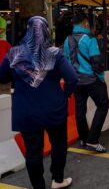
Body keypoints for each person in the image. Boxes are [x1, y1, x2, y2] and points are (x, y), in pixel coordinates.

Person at [0, 16, 77, 189]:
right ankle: (58, 180)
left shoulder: (15, 53)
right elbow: (72, 78)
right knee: (59, 144)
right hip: (54, 109)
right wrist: (65, 95)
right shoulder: (55, 53)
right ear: (46, 31)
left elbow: (1, 76)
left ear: (28, 31)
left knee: (33, 152)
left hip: (26, 111)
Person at [64, 12, 109, 153]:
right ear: (86, 24)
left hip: (76, 81)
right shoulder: (90, 38)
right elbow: (96, 62)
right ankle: (93, 140)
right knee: (103, 105)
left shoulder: (68, 40)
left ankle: (83, 138)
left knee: (80, 110)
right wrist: (101, 77)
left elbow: (65, 62)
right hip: (91, 80)